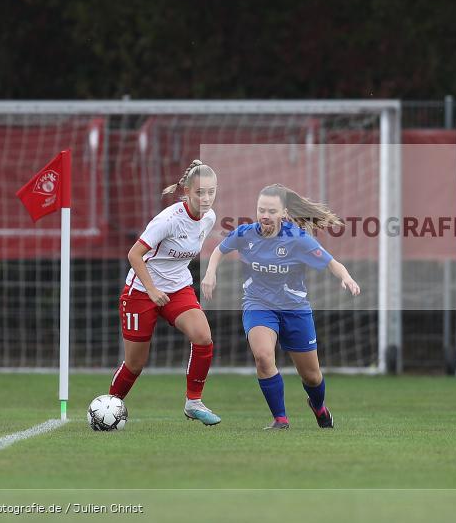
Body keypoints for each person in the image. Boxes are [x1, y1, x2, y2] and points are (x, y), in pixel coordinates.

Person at [202, 183, 360, 430]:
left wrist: (346, 277)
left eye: (271, 211)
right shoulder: (245, 234)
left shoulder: (298, 240)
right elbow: (219, 250)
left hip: (294, 309)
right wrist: (210, 273)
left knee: (312, 376)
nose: (265, 215)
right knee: (263, 357)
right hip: (258, 305)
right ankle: (280, 419)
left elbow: (331, 263)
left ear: (284, 213)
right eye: (261, 209)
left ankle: (318, 407)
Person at [108, 160, 221, 426]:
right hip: (141, 291)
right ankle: (109, 407)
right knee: (135, 364)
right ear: (186, 190)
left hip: (178, 288)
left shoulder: (209, 218)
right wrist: (152, 289)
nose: (206, 198)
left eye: (211, 192)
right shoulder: (168, 220)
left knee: (203, 337)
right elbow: (134, 254)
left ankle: (193, 403)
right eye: (199, 192)